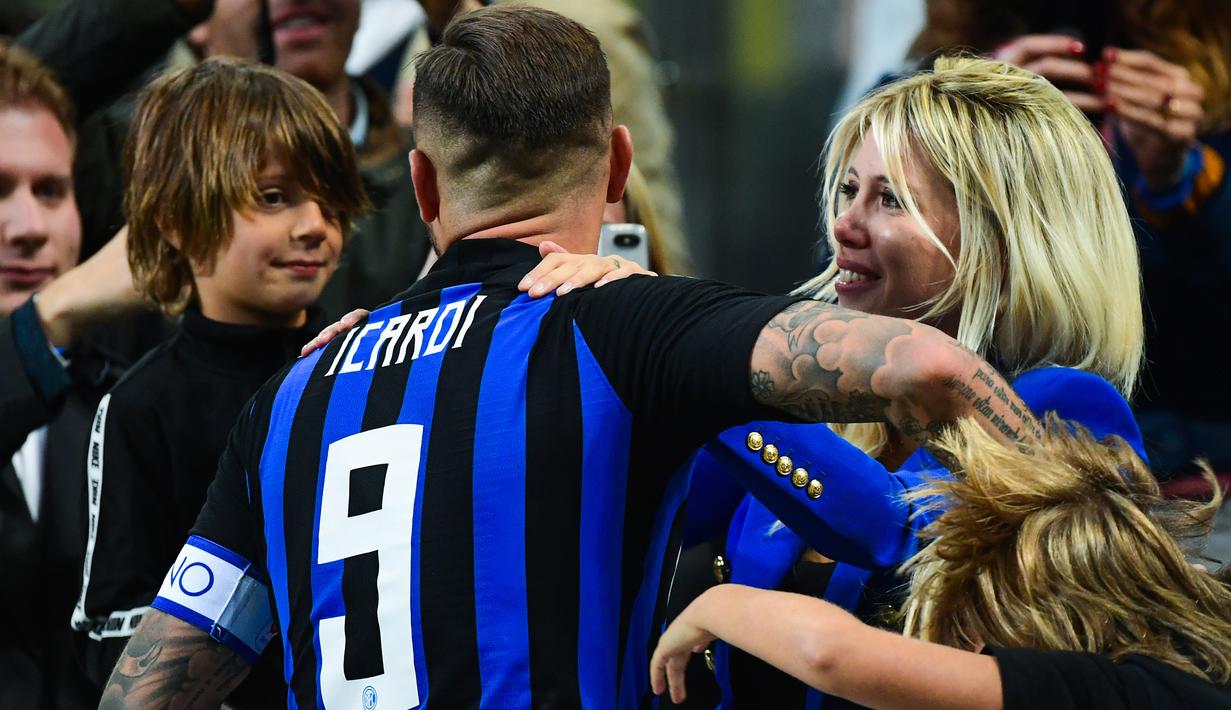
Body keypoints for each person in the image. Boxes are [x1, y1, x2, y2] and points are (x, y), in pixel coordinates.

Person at [100, 7, 1039, 709]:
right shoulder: (621, 325)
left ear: (422, 181)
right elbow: (930, 368)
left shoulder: (295, 392)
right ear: (619, 167)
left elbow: (146, 690)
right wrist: (1100, 561)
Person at [515, 55, 1147, 708]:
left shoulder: (1069, 412)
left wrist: (688, 348)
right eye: (847, 190)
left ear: (1003, 236)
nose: (842, 225)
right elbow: (626, 510)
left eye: (889, 200)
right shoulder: (816, 420)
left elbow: (891, 525)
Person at [69, 57, 368, 705]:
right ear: (175, 218)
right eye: (272, 197)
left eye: (329, 200)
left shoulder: (368, 362)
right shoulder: (142, 406)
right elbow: (108, 632)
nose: (315, 225)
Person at [651, 418, 1231, 709]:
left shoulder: (1101, 691)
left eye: (971, 623)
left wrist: (720, 603)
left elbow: (831, 653)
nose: (951, 651)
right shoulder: (1175, 671)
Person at [907, 0, 1231, 475]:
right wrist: (964, 127)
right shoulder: (931, 69)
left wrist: (1182, 177)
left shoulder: (1214, 66)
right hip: (983, 467)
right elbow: (850, 272)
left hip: (1197, 473)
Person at [0, 40, 140, 710]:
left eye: (50, 191)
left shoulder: (117, 398)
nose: (29, 227)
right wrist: (47, 317)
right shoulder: (53, 334)